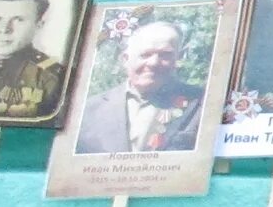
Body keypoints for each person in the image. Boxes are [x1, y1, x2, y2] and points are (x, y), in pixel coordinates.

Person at [75, 21, 202, 153]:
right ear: (125, 59)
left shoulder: (202, 104)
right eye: (145, 55)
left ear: (179, 57)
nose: (153, 63)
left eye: (165, 55)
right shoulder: (87, 112)